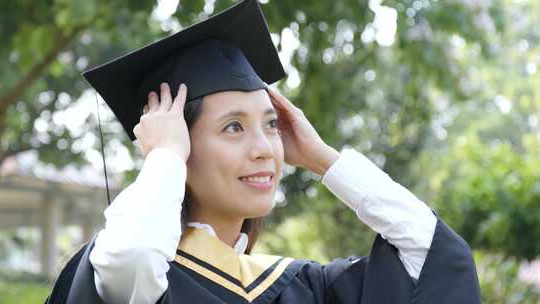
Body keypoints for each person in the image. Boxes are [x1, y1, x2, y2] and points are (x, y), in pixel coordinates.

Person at [45, 0, 481, 303]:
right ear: (179, 143)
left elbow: (434, 255)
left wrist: (322, 159)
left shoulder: (304, 289)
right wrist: (165, 157)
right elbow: (134, 254)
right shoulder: (135, 282)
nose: (264, 150)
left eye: (270, 125)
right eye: (234, 126)